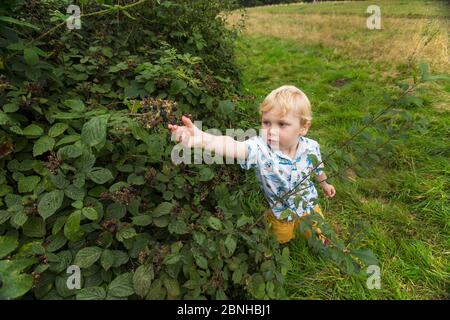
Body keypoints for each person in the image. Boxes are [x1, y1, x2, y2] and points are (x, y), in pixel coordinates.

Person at [168, 85, 335, 244]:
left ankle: (321, 243)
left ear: (303, 128)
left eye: (282, 124)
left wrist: (324, 183)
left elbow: (317, 168)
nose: (271, 130)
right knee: (281, 236)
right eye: (266, 122)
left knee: (316, 230)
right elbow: (233, 146)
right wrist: (203, 138)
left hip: (309, 204)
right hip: (280, 211)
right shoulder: (260, 149)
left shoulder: (312, 147)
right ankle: (282, 247)